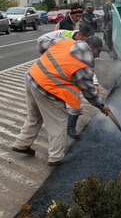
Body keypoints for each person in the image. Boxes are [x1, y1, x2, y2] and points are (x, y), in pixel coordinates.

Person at [12, 35, 111, 166]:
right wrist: (101, 106)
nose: (98, 55)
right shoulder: (83, 65)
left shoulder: (65, 41)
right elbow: (89, 92)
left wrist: (48, 59)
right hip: (48, 88)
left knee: (34, 116)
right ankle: (56, 157)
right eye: (98, 51)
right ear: (91, 47)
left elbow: (41, 44)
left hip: (32, 77)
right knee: (58, 122)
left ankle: (21, 144)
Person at [37, 24, 96, 140]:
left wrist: (95, 83)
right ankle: (68, 130)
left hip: (57, 70)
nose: (86, 44)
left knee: (73, 100)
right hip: (48, 63)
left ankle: (70, 128)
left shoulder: (79, 45)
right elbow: (41, 45)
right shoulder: (66, 40)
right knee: (72, 102)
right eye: (85, 40)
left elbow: (86, 68)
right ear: (79, 35)